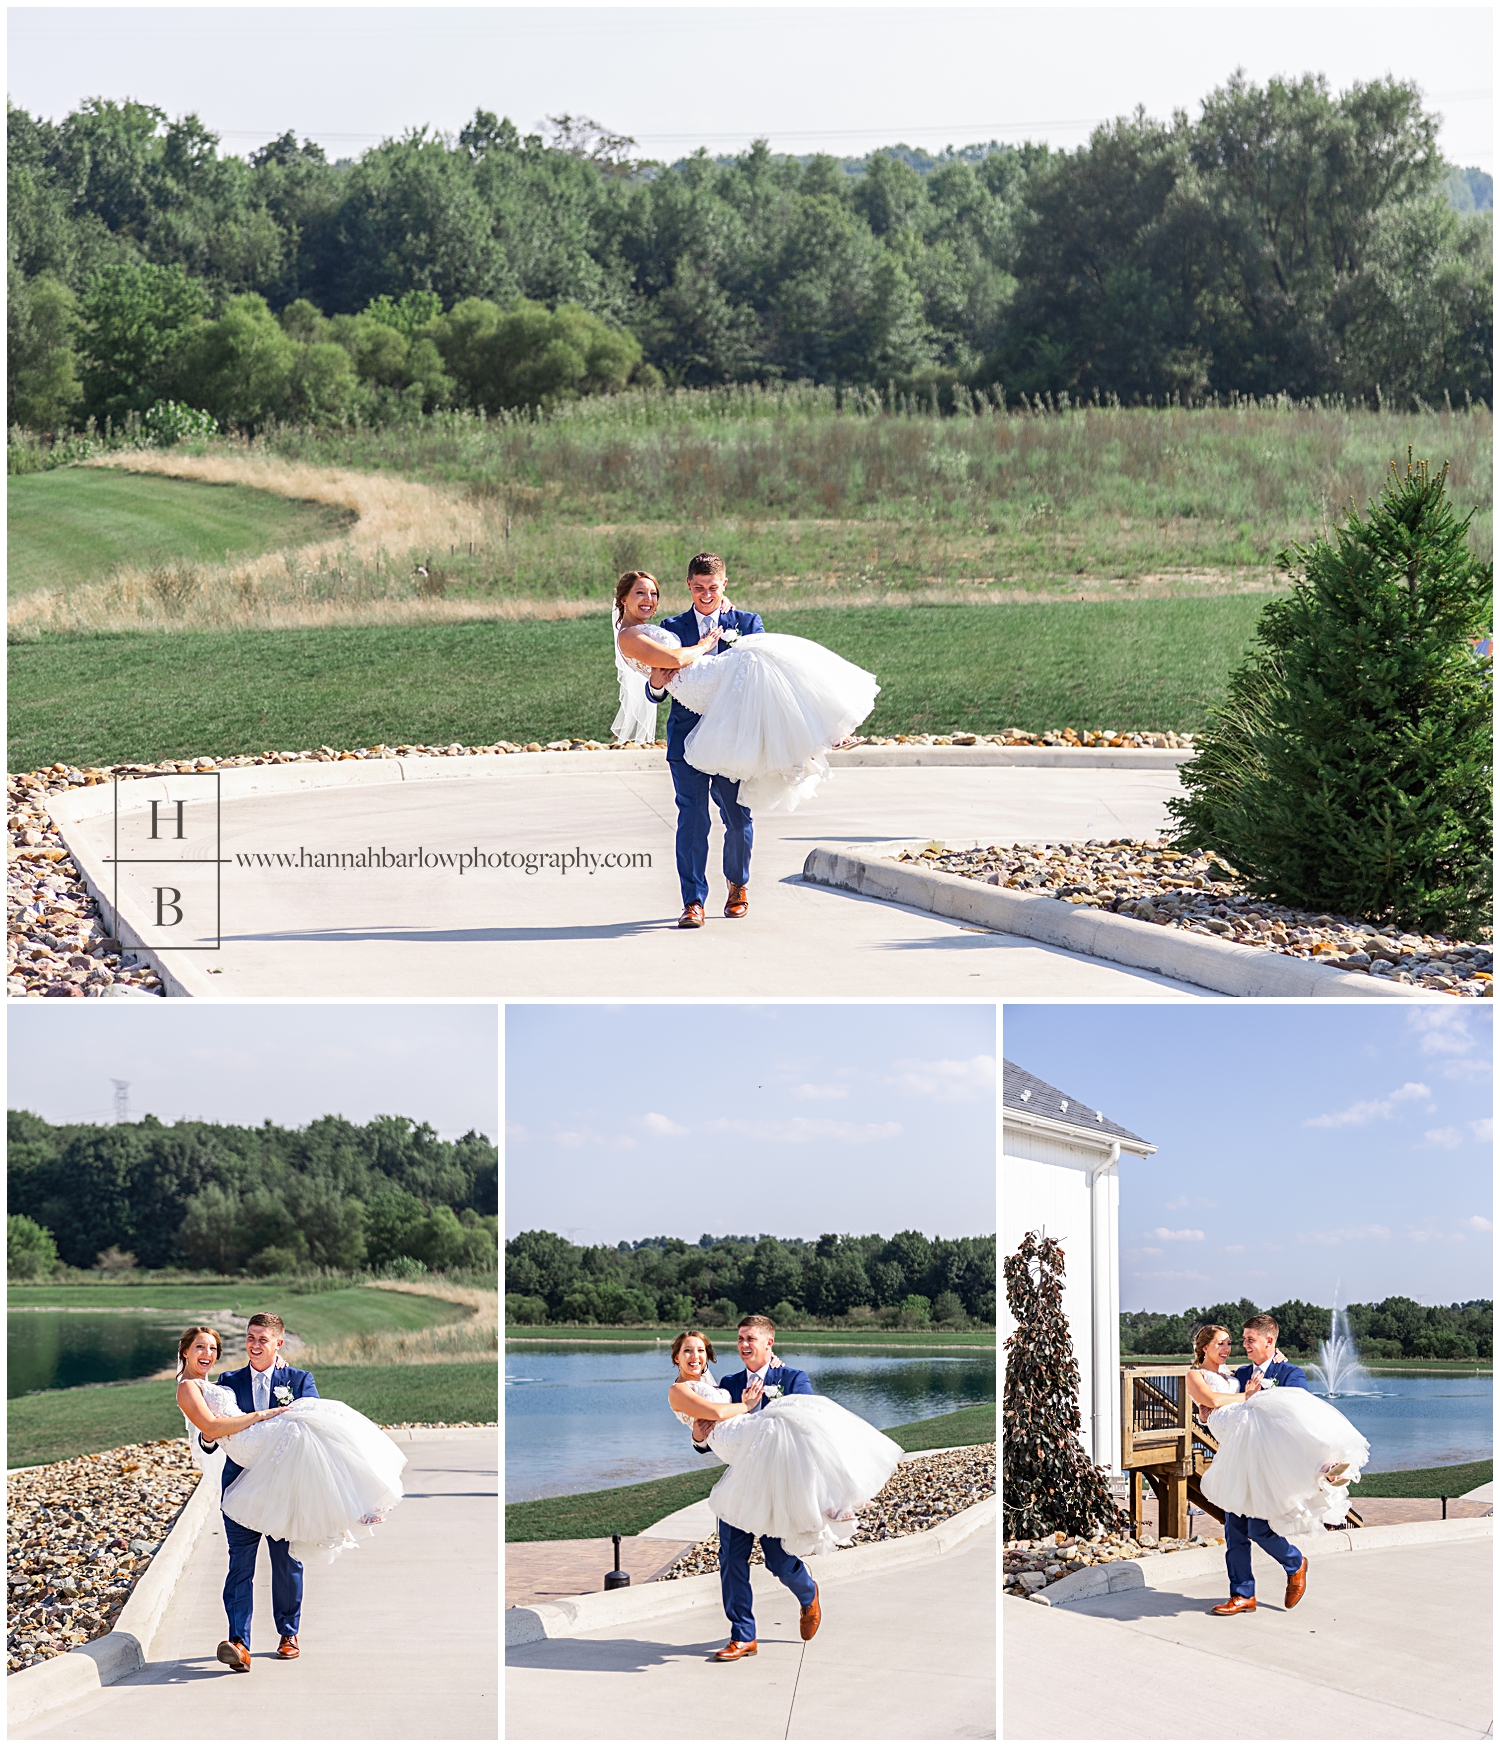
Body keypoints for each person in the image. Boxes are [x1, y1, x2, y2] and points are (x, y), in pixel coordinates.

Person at [616, 554, 879, 926]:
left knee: (737, 818)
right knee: (692, 820)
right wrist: (656, 687)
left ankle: (737, 885)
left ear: (724, 585)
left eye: (713, 587)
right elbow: (661, 680)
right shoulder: (670, 626)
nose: (706, 594)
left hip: (735, 738)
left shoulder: (746, 621)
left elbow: (768, 690)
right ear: (689, 586)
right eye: (699, 587)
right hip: (687, 736)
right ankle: (693, 902)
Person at [176, 1315, 407, 1672]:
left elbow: (320, 1441)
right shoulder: (227, 1381)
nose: (254, 1344)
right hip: (241, 1487)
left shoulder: (299, 1380)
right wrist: (210, 1436)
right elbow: (210, 1438)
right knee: (240, 1565)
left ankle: (288, 1633)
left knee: (286, 1562)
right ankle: (239, 1643)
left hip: (285, 1490)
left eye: (262, 1339)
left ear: (278, 1344)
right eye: (250, 1338)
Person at [668, 1316, 902, 1664]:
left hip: (780, 1488)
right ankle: (743, 1636)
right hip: (743, 1483)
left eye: (751, 1338)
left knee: (779, 1560)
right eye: (739, 1339)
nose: (744, 1345)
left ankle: (809, 1594)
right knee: (731, 1560)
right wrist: (698, 1437)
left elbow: (811, 1431)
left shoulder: (792, 1378)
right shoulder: (729, 1383)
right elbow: (713, 1431)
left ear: (769, 1342)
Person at [1186, 1316, 1369, 1617]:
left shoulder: (1289, 1372)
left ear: (1269, 1341)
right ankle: (1243, 1595)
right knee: (1235, 1530)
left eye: (1247, 1340)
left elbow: (1302, 1415)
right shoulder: (1239, 1374)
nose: (1240, 1346)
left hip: (1271, 1464)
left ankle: (1295, 1560)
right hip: (1240, 1457)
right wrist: (1212, 1408)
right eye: (1235, 1341)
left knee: (1258, 1527)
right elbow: (1217, 1397)